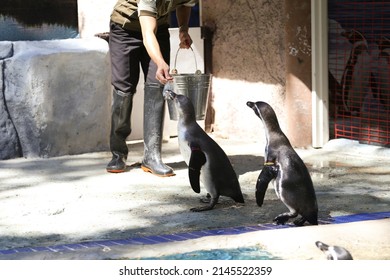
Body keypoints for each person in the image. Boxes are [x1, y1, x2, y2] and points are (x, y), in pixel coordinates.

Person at [106, 0, 198, 176]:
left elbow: (185, 4)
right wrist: (160, 61)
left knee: (157, 87)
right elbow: (147, 33)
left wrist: (183, 29)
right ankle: (118, 153)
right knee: (123, 89)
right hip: (125, 29)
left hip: (159, 28)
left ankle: (152, 156)